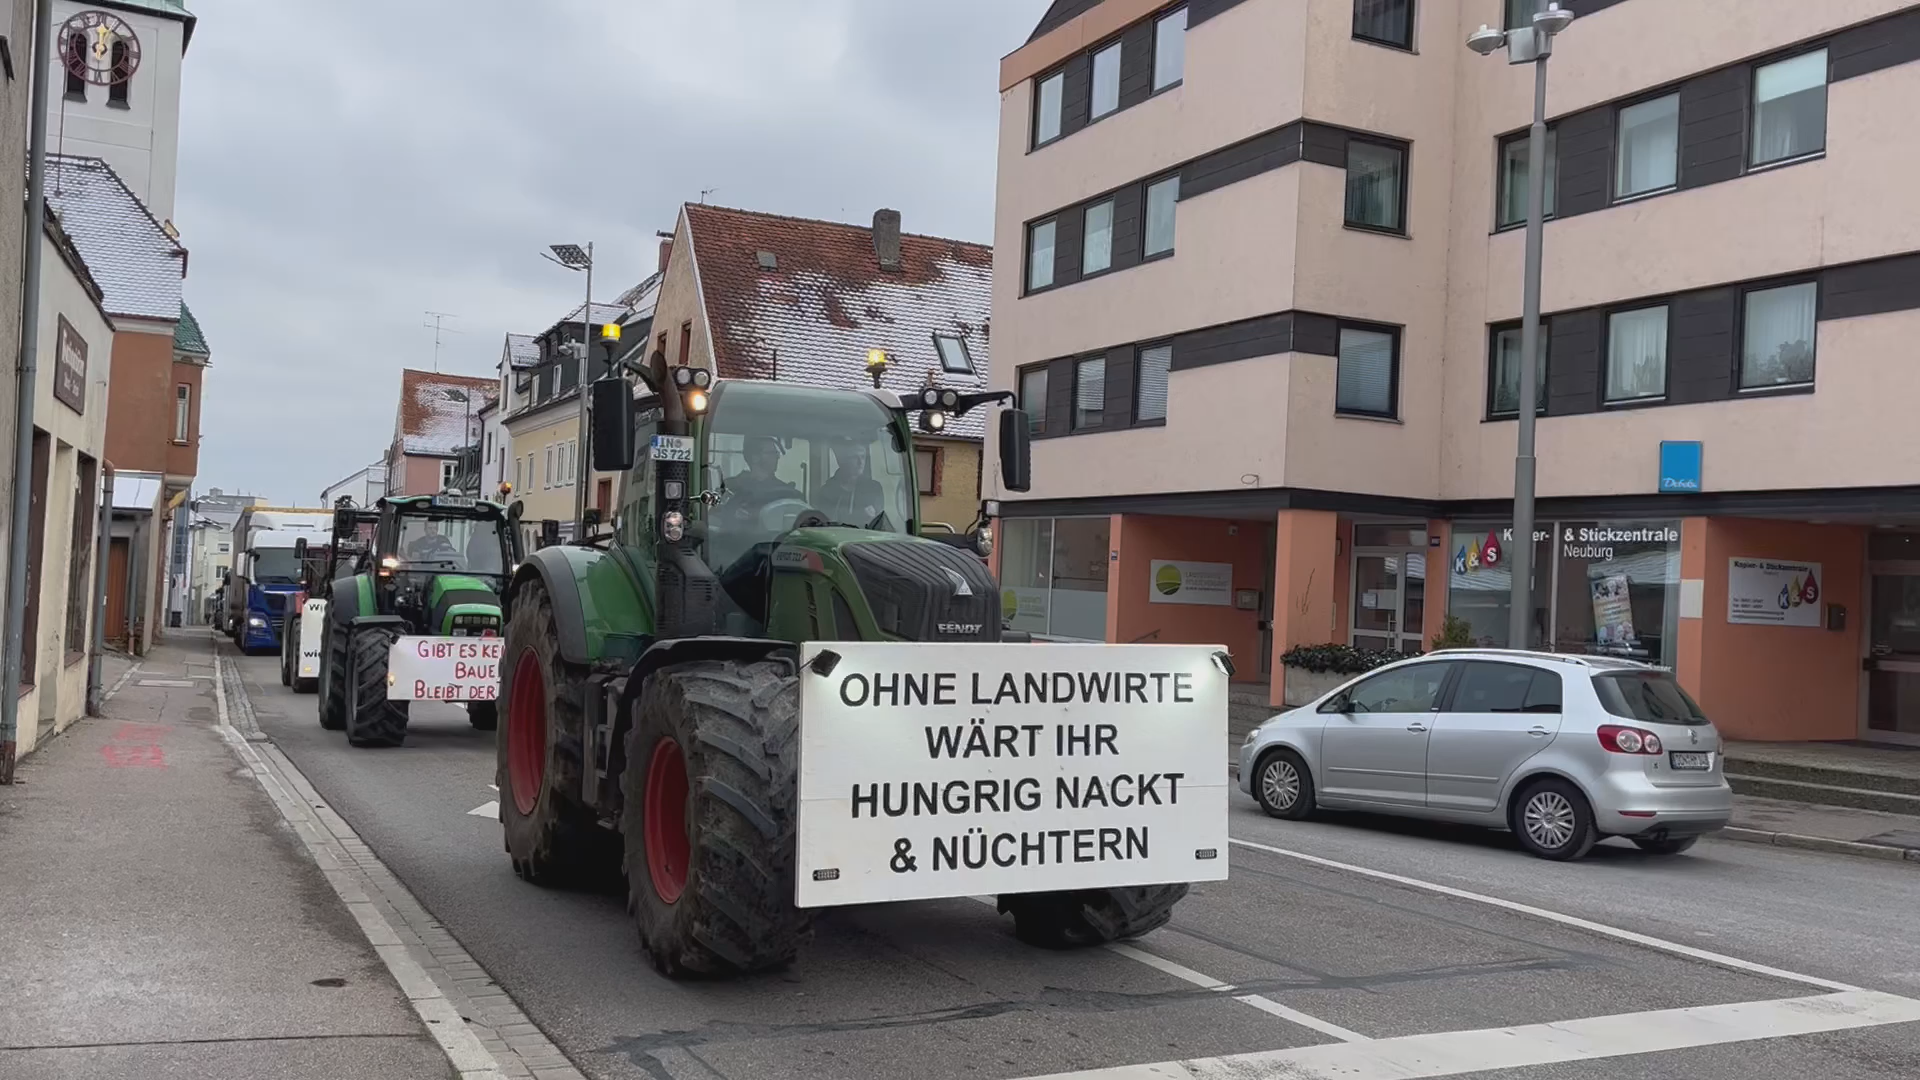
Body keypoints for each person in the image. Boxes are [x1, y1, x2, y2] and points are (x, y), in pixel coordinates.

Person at [726, 436, 801, 523]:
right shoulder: (733, 489)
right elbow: (720, 518)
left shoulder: (788, 493)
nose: (777, 457)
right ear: (755, 458)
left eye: (776, 453)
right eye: (772, 453)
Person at [817, 440, 887, 525]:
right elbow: (825, 522)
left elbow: (878, 522)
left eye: (863, 457)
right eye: (854, 457)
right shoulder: (827, 491)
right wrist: (857, 516)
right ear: (842, 460)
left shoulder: (873, 489)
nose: (860, 462)